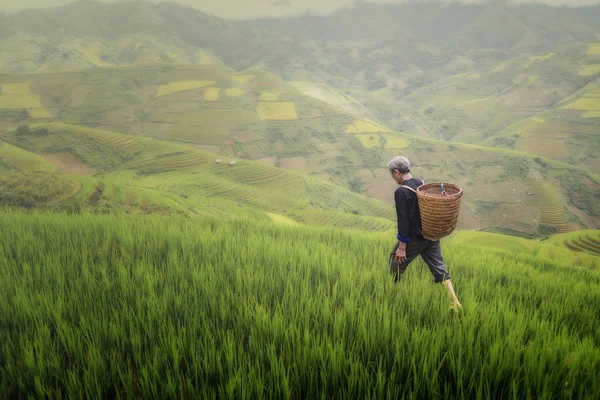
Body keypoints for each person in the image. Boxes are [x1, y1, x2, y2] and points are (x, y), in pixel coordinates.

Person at [387, 156, 462, 311]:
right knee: (439, 269)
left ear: (396, 172)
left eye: (392, 174)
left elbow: (403, 221)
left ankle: (391, 296)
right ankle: (454, 301)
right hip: (431, 234)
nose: (393, 178)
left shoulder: (401, 191)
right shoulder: (421, 183)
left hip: (415, 237)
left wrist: (402, 246)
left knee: (395, 262)